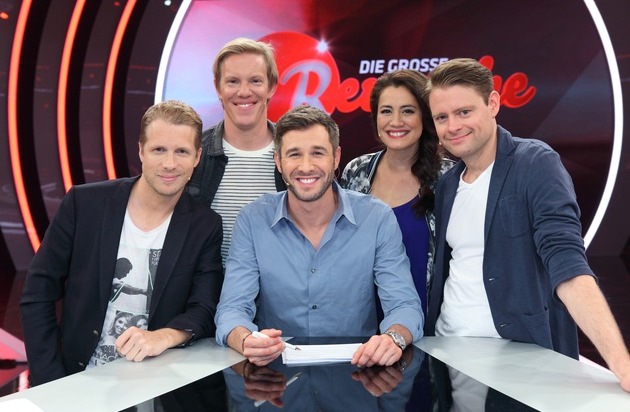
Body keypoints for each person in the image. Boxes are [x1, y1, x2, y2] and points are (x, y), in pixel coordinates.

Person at [423, 58, 630, 392]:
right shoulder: (447, 184)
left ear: (493, 103)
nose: (453, 126)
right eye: (442, 117)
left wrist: (622, 365)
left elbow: (567, 265)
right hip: (447, 357)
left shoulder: (535, 163)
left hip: (518, 361)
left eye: (464, 112)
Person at [20, 100, 224, 386]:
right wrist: (49, 380)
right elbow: (38, 292)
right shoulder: (84, 204)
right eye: (159, 150)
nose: (169, 163)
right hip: (74, 379)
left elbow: (204, 308)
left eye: (182, 151)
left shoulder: (205, 225)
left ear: (197, 157)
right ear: (141, 150)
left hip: (155, 387)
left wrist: (164, 336)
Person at [214, 105, 424, 368]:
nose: (306, 167)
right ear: (278, 161)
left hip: (359, 374)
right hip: (275, 378)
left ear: (336, 158)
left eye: (317, 153)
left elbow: (404, 305)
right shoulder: (253, 220)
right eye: (294, 154)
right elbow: (232, 309)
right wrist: (246, 340)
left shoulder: (376, 217)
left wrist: (393, 339)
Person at [340, 69, 453, 315]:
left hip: (429, 322)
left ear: (425, 116)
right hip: (363, 321)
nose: (396, 121)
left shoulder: (449, 177)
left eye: (408, 111)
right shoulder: (356, 171)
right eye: (386, 111)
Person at [186, 37, 286, 265]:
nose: (243, 92)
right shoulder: (193, 154)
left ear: (271, 86)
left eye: (255, 81)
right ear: (218, 88)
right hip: (207, 286)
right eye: (232, 81)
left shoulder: (295, 155)